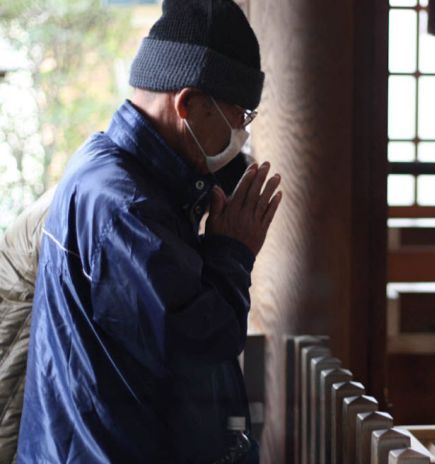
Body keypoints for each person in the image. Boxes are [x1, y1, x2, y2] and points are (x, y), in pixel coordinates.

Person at [17, 1, 280, 462]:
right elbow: (195, 345)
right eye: (239, 114)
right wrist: (232, 252)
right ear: (188, 103)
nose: (242, 131)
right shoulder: (123, 206)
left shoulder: (134, 178)